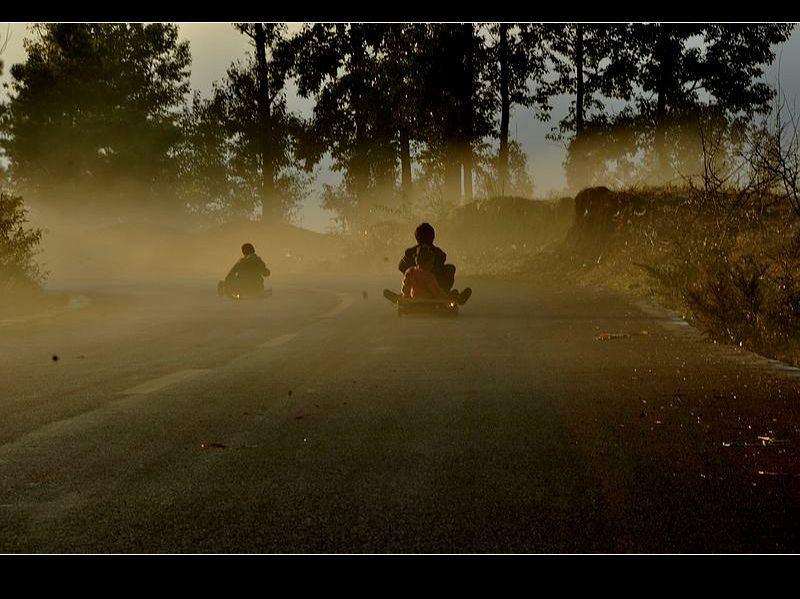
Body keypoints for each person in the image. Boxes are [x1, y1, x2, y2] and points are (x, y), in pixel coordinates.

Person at [397, 222, 471, 304]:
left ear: (417, 237)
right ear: (433, 237)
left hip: (417, 289)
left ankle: (406, 294)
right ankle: (448, 295)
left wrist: (413, 273)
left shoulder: (410, 252)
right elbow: (443, 260)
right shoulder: (437, 252)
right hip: (434, 289)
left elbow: (401, 266)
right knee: (450, 268)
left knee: (410, 273)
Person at [384, 244, 470, 305]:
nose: (432, 265)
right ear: (426, 263)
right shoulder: (428, 276)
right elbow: (436, 291)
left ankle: (398, 298)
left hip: (413, 296)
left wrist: (405, 295)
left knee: (404, 294)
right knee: (452, 293)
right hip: (428, 298)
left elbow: (405, 286)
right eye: (431, 263)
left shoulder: (410, 271)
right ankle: (458, 298)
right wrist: (446, 297)